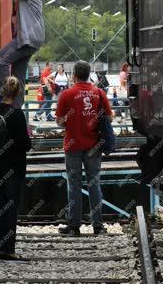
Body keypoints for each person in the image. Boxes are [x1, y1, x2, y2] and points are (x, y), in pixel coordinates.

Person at [55, 60, 113, 236]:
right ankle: (98, 226)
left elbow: (59, 121)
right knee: (94, 184)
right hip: (94, 145)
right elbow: (109, 119)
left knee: (74, 185)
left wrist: (71, 121)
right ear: (89, 75)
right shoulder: (99, 93)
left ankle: (74, 226)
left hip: (73, 146)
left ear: (73, 75)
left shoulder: (66, 94)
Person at [0, 76, 31, 260]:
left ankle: (0, 244)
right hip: (13, 169)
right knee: (10, 208)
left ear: (3, 91)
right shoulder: (17, 114)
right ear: (17, 93)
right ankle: (8, 250)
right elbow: (25, 144)